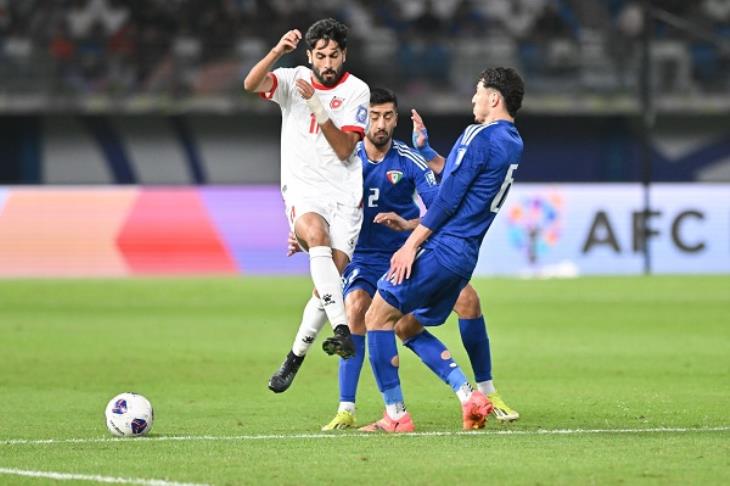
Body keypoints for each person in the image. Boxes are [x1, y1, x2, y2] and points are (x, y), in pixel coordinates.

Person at [284, 88, 519, 430]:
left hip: (407, 254)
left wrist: (409, 227)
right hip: (365, 257)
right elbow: (319, 209)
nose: (381, 124)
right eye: (374, 116)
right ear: (363, 118)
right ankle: (347, 407)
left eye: (388, 116)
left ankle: (479, 393)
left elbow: (440, 200)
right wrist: (306, 234)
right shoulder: (343, 165)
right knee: (358, 309)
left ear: (396, 118)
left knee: (466, 301)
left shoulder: (410, 159)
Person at [360, 67, 525, 433]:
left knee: (376, 316)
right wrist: (428, 152)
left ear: (494, 98)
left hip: (441, 248)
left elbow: (448, 198)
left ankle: (396, 416)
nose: (473, 100)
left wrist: (410, 244)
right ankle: (471, 397)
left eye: (478, 93)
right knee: (405, 324)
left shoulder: (477, 134)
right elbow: (462, 175)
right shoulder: (512, 141)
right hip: (464, 257)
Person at [242, 18, 370, 391]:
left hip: (345, 196)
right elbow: (250, 84)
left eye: (333, 55)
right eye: (320, 56)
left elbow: (346, 148)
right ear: (310, 55)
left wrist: (316, 103)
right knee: (314, 235)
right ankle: (343, 330)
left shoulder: (356, 91)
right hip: (303, 190)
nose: (327, 63)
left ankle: (293, 358)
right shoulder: (292, 78)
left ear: (343, 54)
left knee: (325, 286)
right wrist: (277, 52)